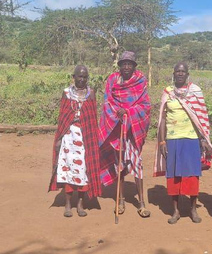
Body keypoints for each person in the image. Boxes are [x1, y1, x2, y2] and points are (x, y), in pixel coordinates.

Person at [154, 62, 212, 224]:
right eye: (177, 71)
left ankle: (193, 209)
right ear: (173, 74)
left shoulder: (195, 92)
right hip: (173, 140)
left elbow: (200, 117)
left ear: (187, 74)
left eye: (183, 71)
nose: (180, 74)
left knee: (192, 175)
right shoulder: (167, 92)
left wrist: (203, 138)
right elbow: (162, 119)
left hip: (191, 139)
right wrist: (161, 141)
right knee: (173, 175)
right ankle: (176, 211)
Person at [99, 51, 152, 218]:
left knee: (137, 164)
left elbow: (145, 105)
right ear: (119, 66)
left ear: (134, 66)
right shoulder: (113, 80)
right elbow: (107, 101)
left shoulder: (140, 80)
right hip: (117, 129)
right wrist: (117, 113)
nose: (127, 66)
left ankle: (141, 203)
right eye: (124, 64)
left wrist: (128, 112)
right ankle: (120, 200)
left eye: (130, 64)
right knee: (119, 165)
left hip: (133, 130)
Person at [49, 65, 102, 217]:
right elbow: (62, 117)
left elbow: (92, 118)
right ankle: (67, 204)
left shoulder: (91, 93)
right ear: (74, 77)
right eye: (79, 76)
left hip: (85, 137)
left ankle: (80, 204)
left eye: (85, 77)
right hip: (68, 137)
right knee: (68, 170)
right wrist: (59, 138)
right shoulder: (66, 93)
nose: (82, 79)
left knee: (83, 171)